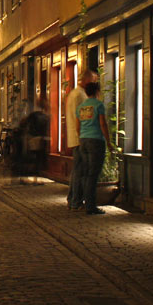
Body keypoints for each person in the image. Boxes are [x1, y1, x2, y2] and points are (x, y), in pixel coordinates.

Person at [74, 79, 112, 215]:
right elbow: (103, 124)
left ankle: (86, 202)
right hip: (96, 141)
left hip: (83, 140)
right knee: (93, 174)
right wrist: (109, 142)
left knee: (86, 173)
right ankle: (90, 206)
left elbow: (77, 126)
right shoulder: (98, 105)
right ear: (97, 91)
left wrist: (81, 138)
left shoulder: (81, 107)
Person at [65, 68, 99, 209]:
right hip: (81, 137)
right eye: (93, 81)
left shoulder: (74, 93)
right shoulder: (80, 95)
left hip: (76, 136)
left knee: (77, 170)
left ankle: (73, 199)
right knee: (80, 170)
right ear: (86, 80)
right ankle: (75, 200)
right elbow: (83, 118)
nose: (94, 84)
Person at [22, 93, 49, 184]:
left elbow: (25, 123)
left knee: (34, 159)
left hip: (33, 138)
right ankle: (35, 179)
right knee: (38, 159)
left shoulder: (34, 115)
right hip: (38, 139)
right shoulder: (43, 116)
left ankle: (34, 178)